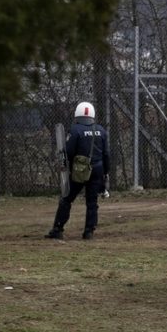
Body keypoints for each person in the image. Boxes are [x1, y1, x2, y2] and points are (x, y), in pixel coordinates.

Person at [45, 101, 110, 240]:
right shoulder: (101, 130)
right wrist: (106, 172)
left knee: (67, 199)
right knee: (92, 202)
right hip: (97, 169)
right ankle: (89, 232)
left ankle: (58, 228)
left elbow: (68, 151)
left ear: (77, 115)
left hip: (79, 171)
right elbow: (106, 154)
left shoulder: (75, 130)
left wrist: (65, 165)